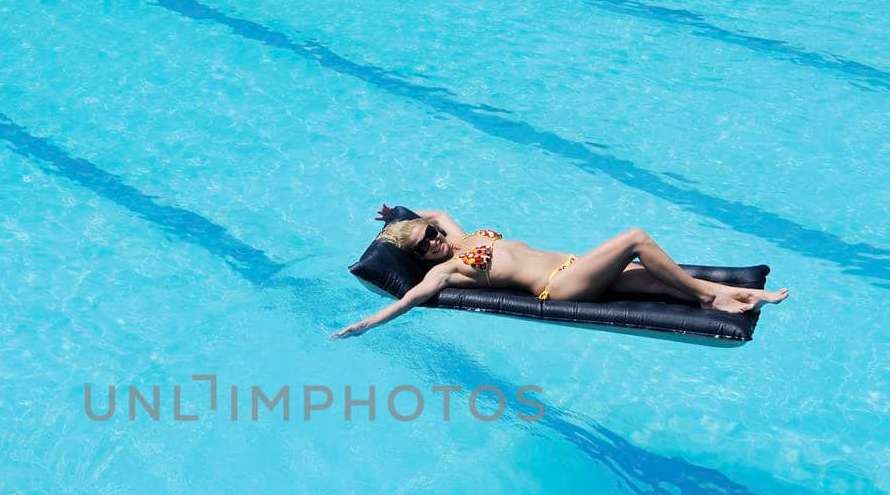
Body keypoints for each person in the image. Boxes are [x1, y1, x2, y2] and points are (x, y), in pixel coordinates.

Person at [333, 206, 787, 339]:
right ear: (423, 259)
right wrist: (367, 323)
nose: (433, 240)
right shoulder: (450, 270)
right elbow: (409, 299)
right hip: (562, 286)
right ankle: (711, 300)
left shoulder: (460, 234)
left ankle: (742, 295)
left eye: (430, 233)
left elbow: (434, 209)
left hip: (574, 267)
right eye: (423, 246)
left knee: (652, 278)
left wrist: (396, 215)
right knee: (635, 239)